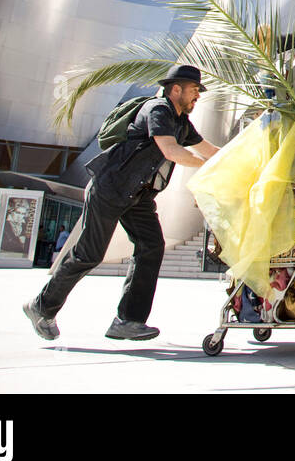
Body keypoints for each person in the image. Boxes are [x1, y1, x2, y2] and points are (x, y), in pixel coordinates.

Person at [23, 65, 220, 341]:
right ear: (176, 89)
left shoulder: (180, 123)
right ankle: (41, 307)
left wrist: (239, 161)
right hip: (110, 189)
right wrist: (208, 168)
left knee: (151, 246)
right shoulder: (158, 110)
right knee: (88, 254)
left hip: (138, 196)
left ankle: (128, 320)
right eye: (194, 90)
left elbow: (210, 151)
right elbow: (170, 150)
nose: (197, 96)